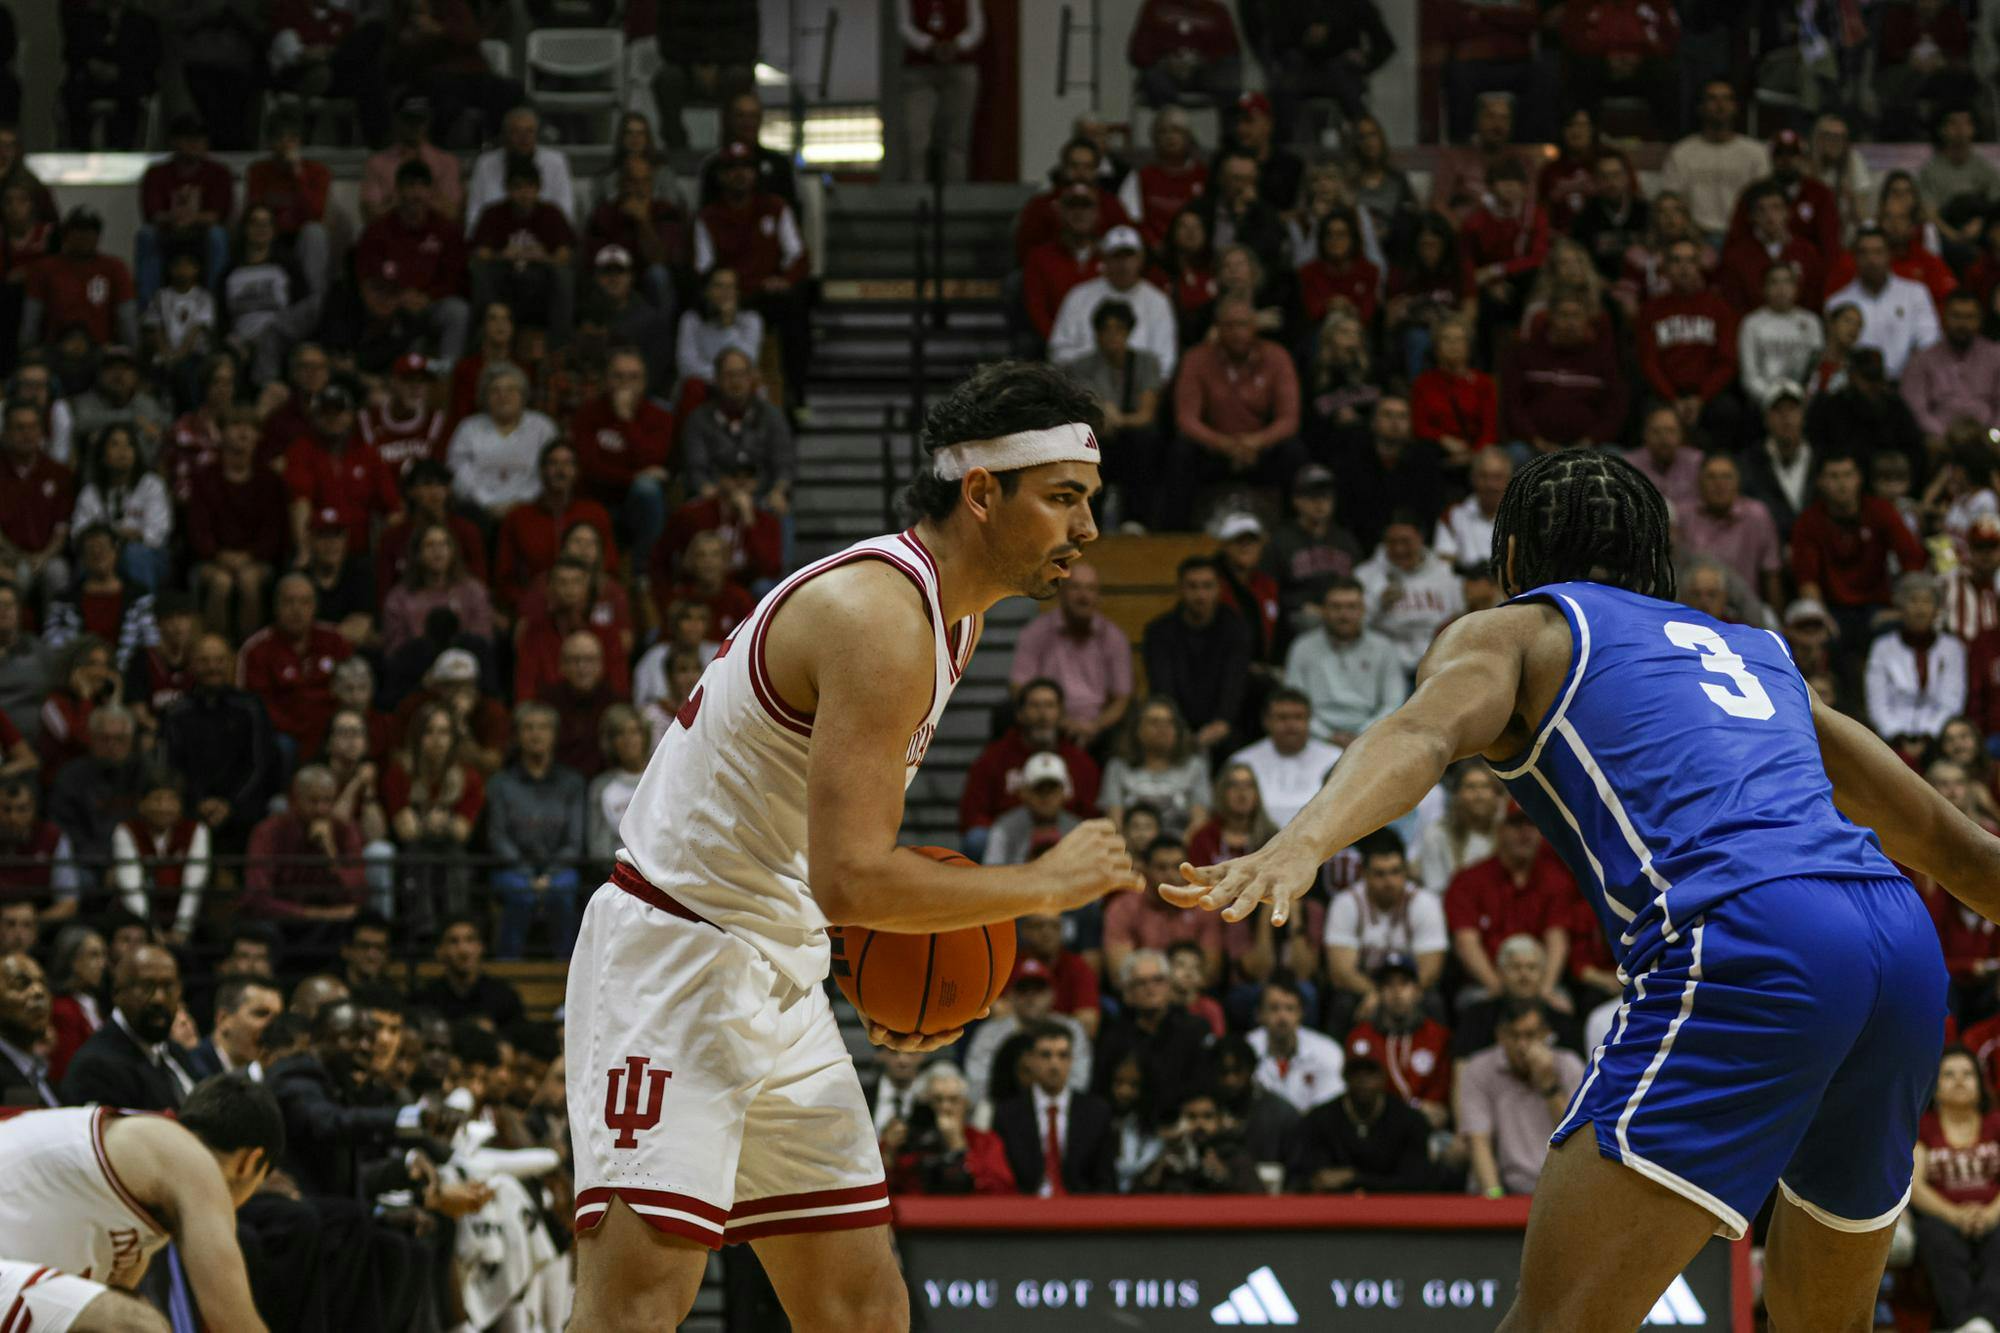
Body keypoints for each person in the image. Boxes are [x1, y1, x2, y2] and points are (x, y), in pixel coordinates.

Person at [1168, 446, 2000, 1328]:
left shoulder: (1519, 629)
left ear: (1515, 558)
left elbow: (1421, 732)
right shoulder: (1757, 652)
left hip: (1752, 930)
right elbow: (1951, 842)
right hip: (1899, 945)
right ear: (1655, 556)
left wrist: (1303, 840)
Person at [565, 365, 1139, 1329]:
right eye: (1065, 499)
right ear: (983, 492)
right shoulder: (878, 616)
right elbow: (853, 876)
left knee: (862, 1307)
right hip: (676, 961)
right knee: (634, 1310)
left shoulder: (950, 619)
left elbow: (824, 843)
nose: (1086, 529)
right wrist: (1038, 886)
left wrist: (874, 963)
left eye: (1090, 503)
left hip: (773, 962)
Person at [0, 1075, 281, 1332]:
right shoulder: (188, 1159)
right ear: (249, 1162)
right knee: (138, 1326)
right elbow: (231, 1320)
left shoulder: (147, 1188)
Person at [1910, 1046, 2000, 1333]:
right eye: (1949, 1074)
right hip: (1943, 1218)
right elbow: (1916, 1185)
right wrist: (1955, 1216)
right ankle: (1966, 1324)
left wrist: (1990, 1215)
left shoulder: (1996, 1123)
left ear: (1979, 1083)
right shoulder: (1923, 1127)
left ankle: (1985, 1320)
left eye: (1967, 1074)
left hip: (1995, 1215)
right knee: (1933, 1234)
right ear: (1934, 1087)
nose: (1959, 1080)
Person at [991, 1021, 1116, 1195]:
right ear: (1030, 1060)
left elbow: (1106, 1180)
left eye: (1063, 1055)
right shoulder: (1007, 1114)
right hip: (1024, 1212)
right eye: (1046, 1055)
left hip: (1081, 1211)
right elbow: (1001, 1178)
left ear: (1071, 1060)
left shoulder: (1096, 1112)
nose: (1054, 1065)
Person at [1284, 575, 1408, 746]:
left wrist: (1361, 735)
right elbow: (1293, 703)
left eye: (1351, 607)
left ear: (1363, 609)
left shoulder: (1384, 648)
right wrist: (1326, 735)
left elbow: (1393, 704)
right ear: (1323, 609)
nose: (1344, 615)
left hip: (1371, 738)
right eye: (1336, 607)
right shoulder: (1302, 648)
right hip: (1313, 739)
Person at [1827, 226, 1941, 381]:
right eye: (1864, 252)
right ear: (1854, 257)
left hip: (1906, 384)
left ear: (1889, 255)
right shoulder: (1837, 302)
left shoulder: (1915, 293)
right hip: (1856, 387)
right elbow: (1834, 354)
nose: (1871, 259)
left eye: (1878, 252)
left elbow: (1929, 343)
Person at [1661, 80, 1770, 241]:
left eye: (1726, 99)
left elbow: (1765, 202)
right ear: (1700, 107)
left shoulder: (1756, 153)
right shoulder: (1681, 152)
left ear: (1735, 107)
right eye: (1712, 99)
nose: (1720, 105)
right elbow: (1671, 201)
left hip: (1744, 237)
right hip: (1694, 238)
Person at [1866, 572, 1968, 740]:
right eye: (1913, 601)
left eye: (1927, 602)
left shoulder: (1952, 648)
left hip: (1939, 737)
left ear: (1936, 610)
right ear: (1900, 607)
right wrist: (1897, 735)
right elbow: (1877, 704)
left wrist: (1929, 735)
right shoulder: (1882, 647)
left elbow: (1952, 701)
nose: (1920, 609)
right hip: (1892, 738)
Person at [1246, 978, 1344, 1112]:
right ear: (1259, 1014)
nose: (1282, 1017)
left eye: (1290, 1008)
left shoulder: (1327, 1052)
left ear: (1301, 1014)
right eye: (1274, 1009)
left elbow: (1332, 1106)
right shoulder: (1246, 1049)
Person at [411, 916, 525, 1029]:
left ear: (481, 947)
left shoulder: (504, 997)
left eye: (470, 940)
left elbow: (518, 1040)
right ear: (439, 952)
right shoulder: (425, 999)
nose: (463, 950)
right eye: (453, 942)